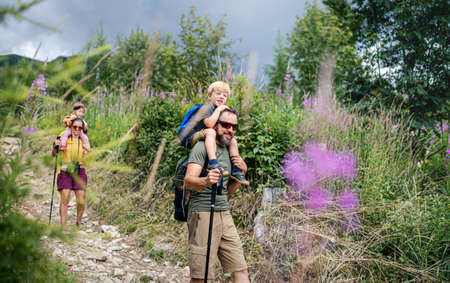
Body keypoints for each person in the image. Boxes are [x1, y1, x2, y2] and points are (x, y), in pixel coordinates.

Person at [184, 107, 250, 283]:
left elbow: (227, 191)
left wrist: (240, 173)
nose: (230, 130)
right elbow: (188, 181)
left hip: (224, 212)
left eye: (234, 127)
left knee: (240, 269)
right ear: (215, 125)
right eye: (226, 125)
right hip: (202, 213)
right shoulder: (201, 147)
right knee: (201, 276)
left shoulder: (230, 151)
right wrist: (206, 181)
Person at [178, 81, 249, 186]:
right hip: (188, 135)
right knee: (211, 132)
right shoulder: (206, 108)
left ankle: (236, 169)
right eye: (218, 94)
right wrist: (219, 109)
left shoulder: (215, 110)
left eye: (224, 96)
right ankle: (213, 163)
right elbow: (210, 124)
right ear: (209, 96)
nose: (221, 97)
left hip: (200, 133)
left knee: (233, 139)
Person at [52, 117, 88, 227]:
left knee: (81, 198)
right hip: (65, 169)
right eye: (74, 127)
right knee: (65, 197)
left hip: (79, 169)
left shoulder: (84, 139)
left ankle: (79, 221)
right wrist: (55, 146)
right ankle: (63, 225)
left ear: (82, 129)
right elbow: (54, 154)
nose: (77, 129)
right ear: (70, 127)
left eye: (79, 127)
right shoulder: (64, 137)